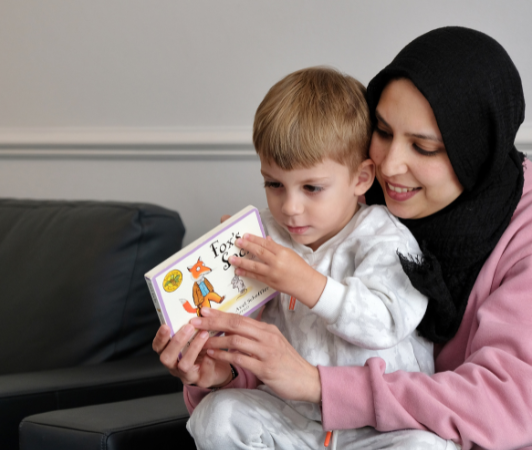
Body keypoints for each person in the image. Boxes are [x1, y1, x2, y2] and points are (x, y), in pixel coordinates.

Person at [153, 26, 532, 450]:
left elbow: (509, 402)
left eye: (423, 147)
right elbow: (300, 351)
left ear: (474, 148)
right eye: (382, 132)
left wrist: (318, 385)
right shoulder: (358, 203)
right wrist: (224, 372)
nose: (388, 165)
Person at [175, 66, 457, 449]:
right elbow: (245, 351)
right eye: (274, 184)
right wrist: (209, 355)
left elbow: (386, 323)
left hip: (376, 429)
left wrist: (305, 283)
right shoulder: (264, 236)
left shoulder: (385, 237)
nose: (290, 208)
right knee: (216, 416)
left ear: (360, 178)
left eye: (312, 187)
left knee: (425, 448)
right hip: (293, 420)